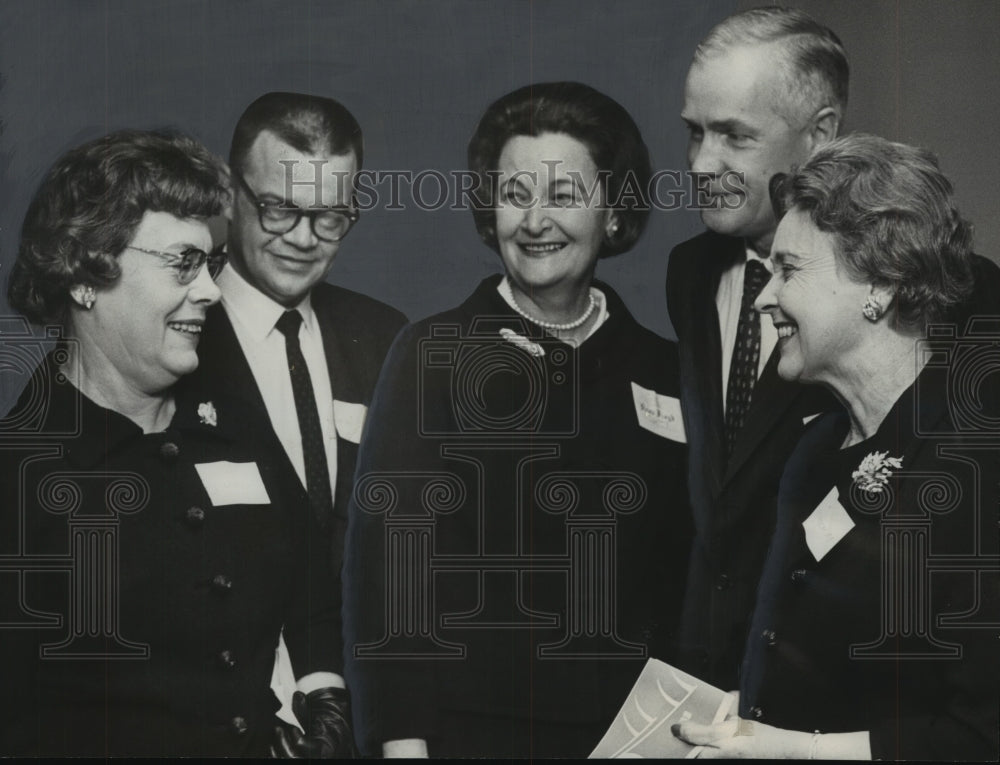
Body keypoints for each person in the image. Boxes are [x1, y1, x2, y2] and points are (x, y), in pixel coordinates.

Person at [343, 81, 692, 758]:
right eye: (514, 194)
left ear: (613, 210)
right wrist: (401, 743)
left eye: (563, 196)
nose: (535, 221)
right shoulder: (433, 355)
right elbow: (390, 573)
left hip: (642, 739)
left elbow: (690, 574)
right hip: (473, 735)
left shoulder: (667, 369)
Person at [0, 130, 341, 756]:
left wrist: (324, 696)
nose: (212, 290)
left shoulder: (235, 425)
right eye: (182, 263)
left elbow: (314, 581)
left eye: (209, 263)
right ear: (84, 276)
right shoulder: (19, 475)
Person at [673, 133, 999, 759]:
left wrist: (796, 752)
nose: (765, 298)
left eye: (789, 271)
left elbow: (982, 737)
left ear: (880, 284)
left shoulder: (975, 465)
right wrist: (745, 723)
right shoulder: (816, 445)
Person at [191, 91, 407, 755]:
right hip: (214, 715)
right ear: (229, 194)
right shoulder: (170, 337)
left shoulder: (385, 337)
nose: (304, 238)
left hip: (371, 715)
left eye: (332, 216)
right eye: (280, 208)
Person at [666, 5, 848, 691]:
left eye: (734, 136)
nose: (700, 163)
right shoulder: (688, 272)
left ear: (819, 136)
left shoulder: (927, 286)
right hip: (707, 675)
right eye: (694, 132)